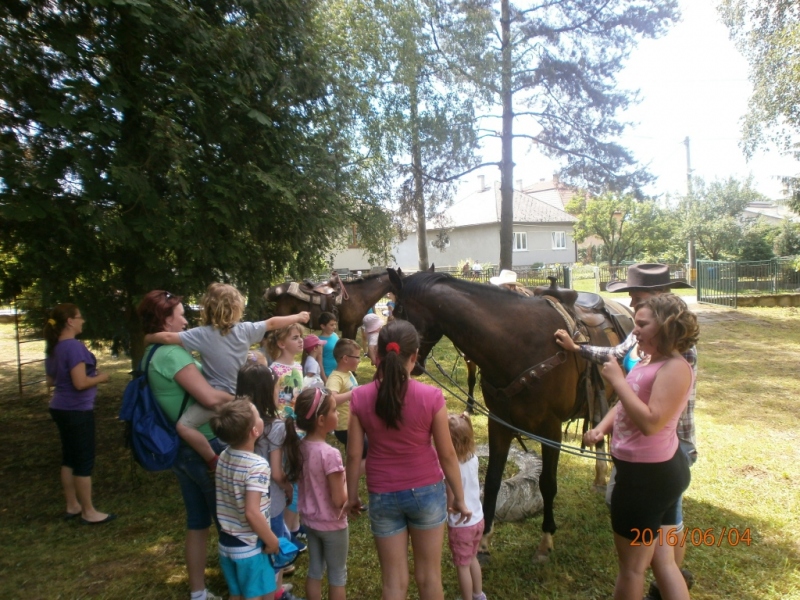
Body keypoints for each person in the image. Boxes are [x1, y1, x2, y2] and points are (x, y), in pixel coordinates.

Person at [554, 263, 697, 599]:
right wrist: (603, 426)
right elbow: (624, 379)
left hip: (648, 474)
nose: (635, 327)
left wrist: (617, 380)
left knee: (633, 568)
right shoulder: (649, 356)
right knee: (661, 562)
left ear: (664, 322)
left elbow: (651, 421)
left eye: (641, 322)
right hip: (651, 467)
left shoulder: (677, 362)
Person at [345, 320, 472, 600]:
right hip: (426, 491)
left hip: (382, 493)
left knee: (392, 581)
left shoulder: (360, 397)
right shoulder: (431, 396)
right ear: (414, 357)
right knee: (429, 576)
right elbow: (447, 453)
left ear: (377, 356)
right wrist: (459, 497)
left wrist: (352, 495)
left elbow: (354, 454)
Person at [144, 282, 309, 469]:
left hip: (216, 400)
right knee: (249, 432)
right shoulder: (246, 330)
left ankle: (212, 460)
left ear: (208, 309)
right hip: (241, 396)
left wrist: (149, 338)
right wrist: (298, 316)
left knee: (184, 427)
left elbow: (167, 338)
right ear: (237, 308)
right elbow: (272, 323)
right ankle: (257, 463)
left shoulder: (201, 334)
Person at [138, 290, 234, 600]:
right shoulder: (173, 355)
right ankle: (244, 587)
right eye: (180, 314)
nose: (185, 319)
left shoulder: (152, 352)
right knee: (227, 519)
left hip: (179, 445)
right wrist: (241, 398)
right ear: (166, 319)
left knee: (197, 520)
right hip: (202, 443)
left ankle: (198, 591)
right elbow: (207, 397)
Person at [44, 303, 113, 525]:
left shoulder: (54, 347)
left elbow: (51, 380)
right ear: (70, 322)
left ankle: (72, 505)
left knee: (69, 458)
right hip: (76, 410)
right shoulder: (73, 347)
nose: (83, 321)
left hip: (59, 407)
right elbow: (80, 383)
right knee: (83, 461)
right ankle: (88, 511)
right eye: (80, 317)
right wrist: (101, 378)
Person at [238, 363, 298, 600]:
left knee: (255, 552)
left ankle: (272, 590)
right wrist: (288, 488)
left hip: (241, 504)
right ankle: (274, 593)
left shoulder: (235, 421)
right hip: (269, 503)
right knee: (274, 551)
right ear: (266, 391)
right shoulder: (276, 427)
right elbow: (276, 472)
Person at [211, 398, 280, 600]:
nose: (261, 417)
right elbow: (251, 512)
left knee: (237, 594)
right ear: (254, 431)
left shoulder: (223, 456)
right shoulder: (257, 465)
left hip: (226, 544)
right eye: (258, 415)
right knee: (266, 594)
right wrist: (272, 540)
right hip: (250, 548)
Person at [284, 389, 349, 600]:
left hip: (310, 523)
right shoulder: (330, 454)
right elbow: (339, 500)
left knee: (315, 570)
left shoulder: (300, 447)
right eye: (333, 410)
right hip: (333, 525)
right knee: (337, 574)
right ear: (322, 420)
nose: (337, 413)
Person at [265, 323, 307, 552]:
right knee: (290, 480)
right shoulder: (274, 370)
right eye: (294, 337)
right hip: (284, 432)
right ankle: (287, 532)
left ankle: (296, 525)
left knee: (299, 477)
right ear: (281, 344)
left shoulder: (298, 366)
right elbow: (274, 404)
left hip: (300, 430)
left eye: (300, 336)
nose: (300, 341)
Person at [446, 413, 487, 600]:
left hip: (461, 525)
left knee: (462, 566)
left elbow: (451, 502)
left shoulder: (450, 469)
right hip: (478, 519)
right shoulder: (473, 459)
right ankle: (479, 595)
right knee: (472, 559)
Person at [318, 312, 339, 378]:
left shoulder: (335, 335)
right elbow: (319, 363)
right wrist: (324, 379)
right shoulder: (319, 341)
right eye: (331, 325)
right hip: (328, 373)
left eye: (335, 324)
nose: (334, 327)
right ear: (323, 326)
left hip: (338, 371)